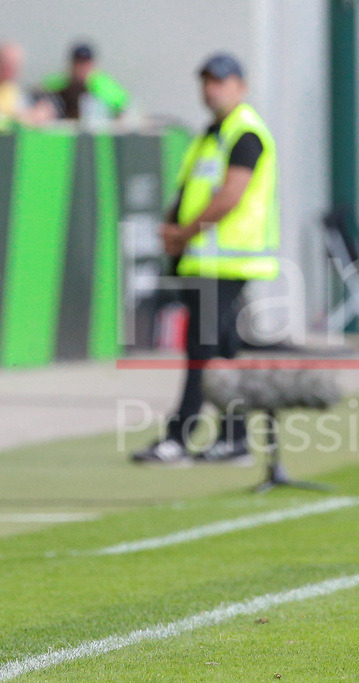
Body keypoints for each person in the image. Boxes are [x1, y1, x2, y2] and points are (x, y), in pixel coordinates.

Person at [130, 53, 279, 466]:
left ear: (240, 85)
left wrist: (183, 232)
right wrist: (175, 231)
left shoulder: (243, 133)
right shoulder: (212, 134)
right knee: (221, 350)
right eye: (207, 80)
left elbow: (230, 195)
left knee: (202, 349)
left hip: (224, 263)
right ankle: (232, 439)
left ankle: (182, 437)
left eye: (220, 80)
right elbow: (192, 192)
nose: (210, 88)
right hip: (207, 262)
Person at [42, 42, 129, 120]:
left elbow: (124, 106)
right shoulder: (59, 82)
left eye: (85, 64)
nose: (81, 68)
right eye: (78, 63)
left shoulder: (103, 85)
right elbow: (41, 92)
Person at [0, 42, 55, 127]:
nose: (11, 69)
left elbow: (22, 112)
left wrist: (38, 113)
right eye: (6, 64)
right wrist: (18, 119)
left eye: (14, 65)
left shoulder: (13, 90)